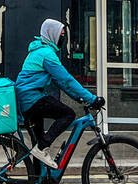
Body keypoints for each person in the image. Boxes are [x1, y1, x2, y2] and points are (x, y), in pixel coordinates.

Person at [14, 18, 104, 169]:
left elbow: (62, 83)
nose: (63, 38)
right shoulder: (46, 54)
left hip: (26, 99)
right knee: (67, 114)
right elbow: (66, 80)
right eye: (61, 35)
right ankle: (42, 148)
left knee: (39, 141)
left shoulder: (39, 50)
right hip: (32, 99)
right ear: (52, 34)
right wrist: (92, 99)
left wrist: (79, 97)